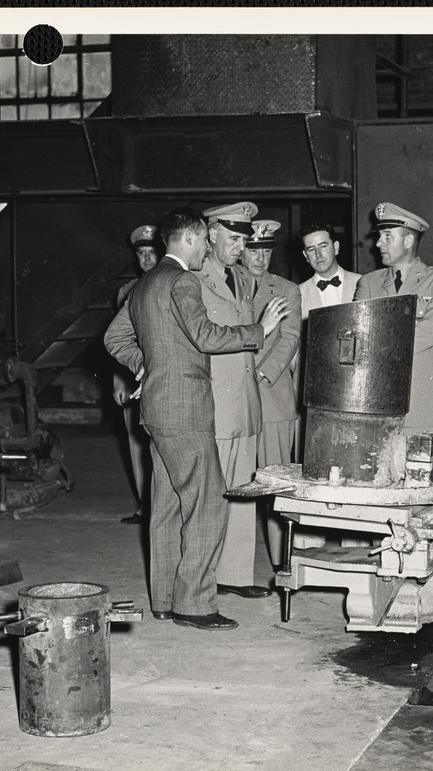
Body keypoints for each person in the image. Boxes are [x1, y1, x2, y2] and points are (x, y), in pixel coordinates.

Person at [104, 207, 289, 631]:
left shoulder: (147, 282)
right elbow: (204, 335)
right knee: (208, 505)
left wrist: (146, 366)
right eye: (205, 240)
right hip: (185, 409)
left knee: (167, 506)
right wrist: (257, 330)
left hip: (156, 409)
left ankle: (165, 600)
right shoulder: (184, 280)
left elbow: (114, 337)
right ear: (188, 239)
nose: (209, 246)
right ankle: (195, 604)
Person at [198, 202, 271, 598]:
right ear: (211, 234)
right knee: (212, 492)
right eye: (233, 237)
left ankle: (235, 575)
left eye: (244, 239)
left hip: (244, 399)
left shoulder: (243, 278)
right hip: (214, 398)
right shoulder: (192, 277)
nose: (240, 247)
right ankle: (205, 577)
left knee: (243, 489)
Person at [354, 202, 433, 437]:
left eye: (387, 236)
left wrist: (377, 339)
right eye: (379, 236)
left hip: (422, 404)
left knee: (421, 472)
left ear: (408, 241)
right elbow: (358, 331)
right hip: (375, 403)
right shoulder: (369, 282)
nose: (378, 243)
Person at [242, 219, 301, 567]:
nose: (260, 258)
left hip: (272, 396)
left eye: (266, 251)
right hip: (233, 399)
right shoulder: (226, 287)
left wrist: (261, 373)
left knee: (277, 483)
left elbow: (290, 339)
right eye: (253, 250)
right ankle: (234, 567)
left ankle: (284, 559)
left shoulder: (286, 289)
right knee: (235, 483)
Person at [112, 224, 159, 525]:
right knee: (136, 443)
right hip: (133, 378)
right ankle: (146, 505)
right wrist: (118, 381)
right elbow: (118, 340)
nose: (146, 259)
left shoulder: (174, 285)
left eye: (152, 253)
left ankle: (162, 505)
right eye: (141, 254)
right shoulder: (126, 291)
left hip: (162, 376)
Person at [298, 221, 360, 320]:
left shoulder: (361, 283)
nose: (318, 254)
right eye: (311, 249)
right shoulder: (298, 294)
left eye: (323, 246)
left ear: (336, 247)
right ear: (306, 256)